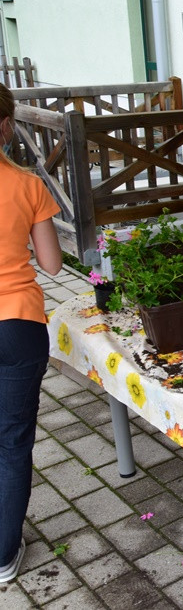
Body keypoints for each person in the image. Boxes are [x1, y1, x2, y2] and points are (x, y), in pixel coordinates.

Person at [0, 83, 62, 584]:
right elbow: (53, 264)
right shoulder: (27, 185)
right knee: (13, 442)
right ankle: (3, 555)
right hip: (19, 323)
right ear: (6, 125)